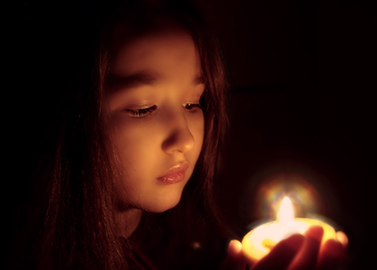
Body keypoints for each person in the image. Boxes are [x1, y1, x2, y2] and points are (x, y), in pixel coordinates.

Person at [7, 0, 347, 269]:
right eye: (143, 108)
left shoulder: (196, 244)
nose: (184, 139)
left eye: (192, 103)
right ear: (70, 114)